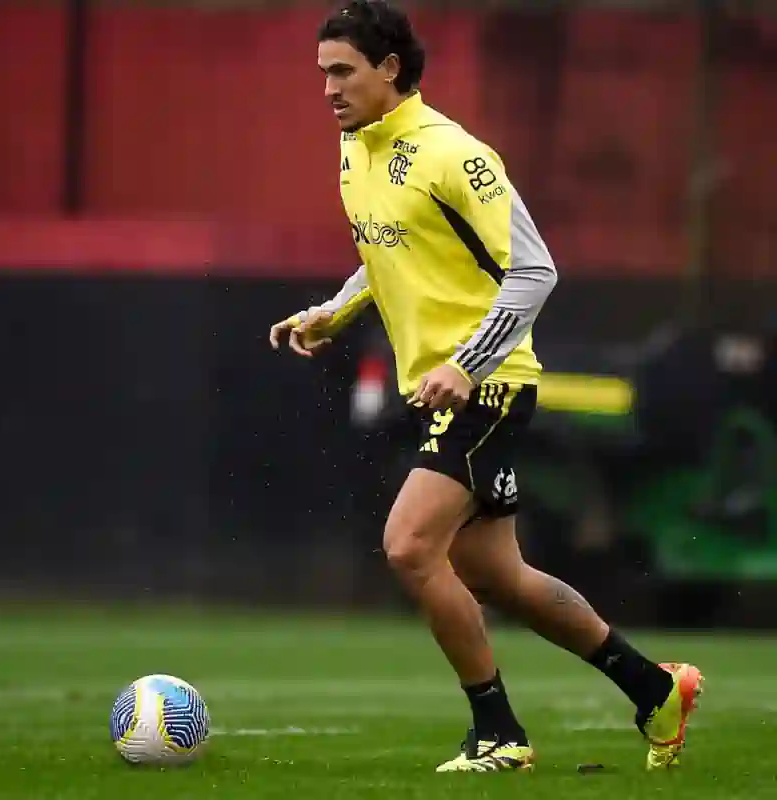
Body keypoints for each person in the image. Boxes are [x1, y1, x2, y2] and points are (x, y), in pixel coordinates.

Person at [268, 0, 702, 773]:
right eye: (323, 73)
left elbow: (536, 270)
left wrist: (467, 364)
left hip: (487, 386)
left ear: (389, 69)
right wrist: (333, 312)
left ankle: (498, 731)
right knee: (502, 577)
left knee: (408, 546)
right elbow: (391, 252)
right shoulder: (355, 151)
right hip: (443, 389)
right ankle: (653, 690)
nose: (328, 89)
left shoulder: (454, 153)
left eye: (343, 71)